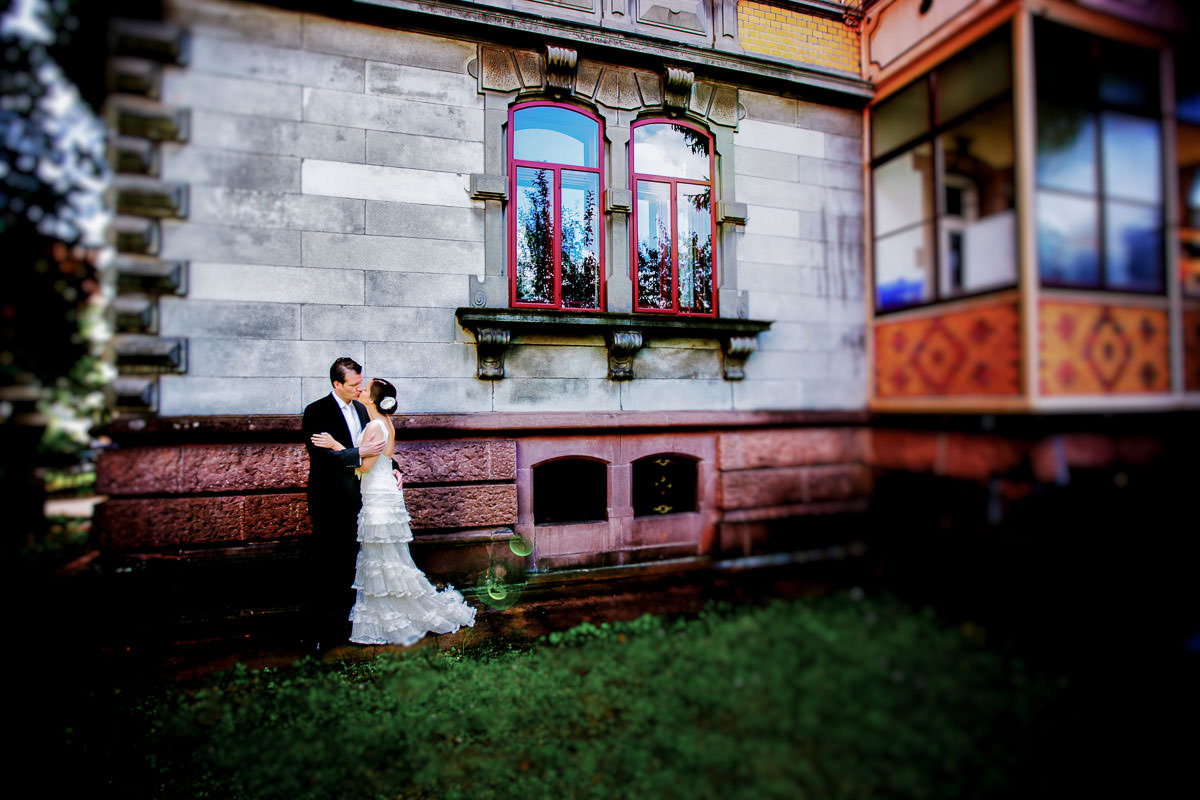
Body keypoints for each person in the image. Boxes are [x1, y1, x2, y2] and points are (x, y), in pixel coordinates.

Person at [312, 377, 476, 645]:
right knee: (388, 557)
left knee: (381, 557)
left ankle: (390, 615)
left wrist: (335, 446)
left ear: (374, 399)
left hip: (377, 496)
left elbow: (363, 467)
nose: (362, 391)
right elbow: (383, 462)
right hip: (383, 490)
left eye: (366, 389)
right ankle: (391, 609)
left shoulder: (376, 425)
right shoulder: (386, 424)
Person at [302, 357, 388, 642]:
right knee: (328, 562)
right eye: (353, 384)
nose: (359, 388)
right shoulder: (316, 411)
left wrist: (395, 470)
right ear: (337, 384)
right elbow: (322, 458)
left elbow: (377, 451)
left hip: (361, 498)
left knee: (353, 561)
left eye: (360, 382)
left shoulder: (363, 410)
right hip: (330, 499)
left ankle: (349, 622)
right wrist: (358, 453)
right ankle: (320, 631)